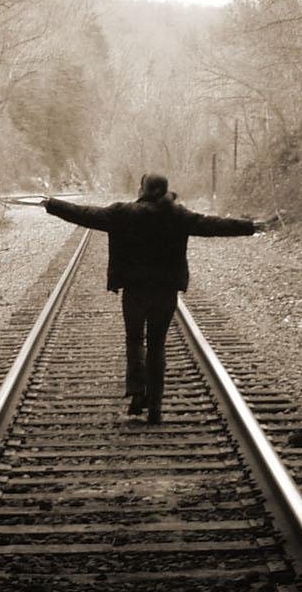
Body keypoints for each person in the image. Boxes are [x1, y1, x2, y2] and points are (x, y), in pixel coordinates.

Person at [41, 174, 267, 423]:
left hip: (135, 290)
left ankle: (138, 392)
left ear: (143, 190)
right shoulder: (178, 215)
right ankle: (156, 406)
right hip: (165, 291)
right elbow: (211, 225)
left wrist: (52, 204)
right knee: (157, 344)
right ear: (164, 191)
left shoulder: (123, 213)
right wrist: (249, 226)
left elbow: (84, 214)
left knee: (135, 339)